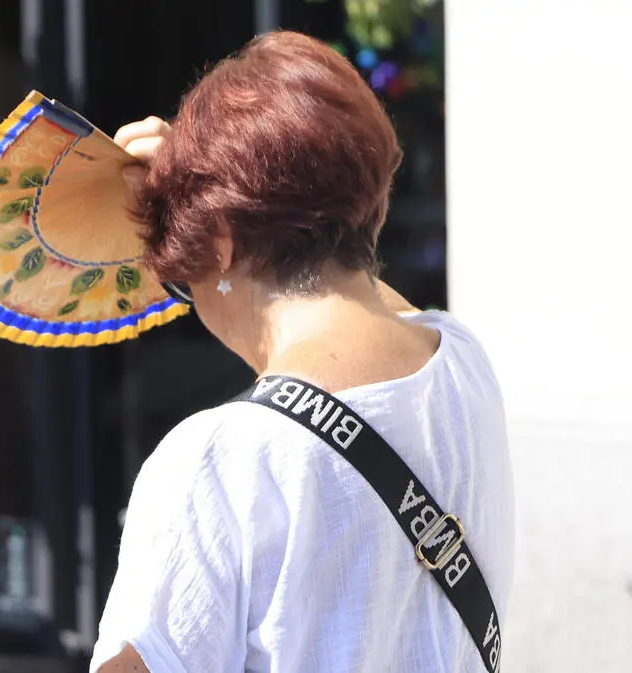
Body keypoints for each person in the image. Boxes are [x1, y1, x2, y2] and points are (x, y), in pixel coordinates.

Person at [89, 31, 514, 673]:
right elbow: (361, 289)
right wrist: (202, 197)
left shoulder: (217, 462)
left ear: (223, 244)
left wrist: (185, 206)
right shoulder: (459, 361)